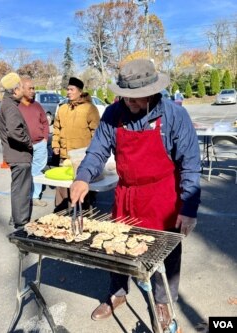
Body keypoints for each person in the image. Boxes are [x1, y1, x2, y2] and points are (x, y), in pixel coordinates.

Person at [70, 59, 201, 330]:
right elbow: (97, 151)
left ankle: (163, 301)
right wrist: (82, 178)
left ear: (152, 90)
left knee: (167, 253)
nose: (129, 102)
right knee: (117, 248)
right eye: (125, 95)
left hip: (163, 195)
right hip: (127, 193)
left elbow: (190, 162)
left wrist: (189, 208)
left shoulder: (174, 116)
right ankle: (117, 294)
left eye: (136, 97)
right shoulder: (113, 114)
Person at [52, 77, 100, 211]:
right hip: (64, 156)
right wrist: (55, 145)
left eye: (71, 89)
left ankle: (83, 215)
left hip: (81, 158)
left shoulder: (90, 108)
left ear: (80, 91)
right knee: (62, 187)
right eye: (67, 89)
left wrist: (93, 153)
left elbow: (96, 132)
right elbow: (56, 128)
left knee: (80, 188)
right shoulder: (62, 109)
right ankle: (60, 215)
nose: (68, 92)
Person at [0, 72, 33, 229]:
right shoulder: (10, 107)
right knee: (22, 191)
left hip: (16, 155)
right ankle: (21, 224)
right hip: (19, 156)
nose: (22, 91)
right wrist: (28, 144)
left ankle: (16, 217)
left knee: (18, 189)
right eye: (20, 87)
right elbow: (14, 132)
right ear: (14, 91)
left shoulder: (6, 103)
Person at [19, 77, 49, 207]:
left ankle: (35, 197)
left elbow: (45, 122)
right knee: (24, 172)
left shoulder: (37, 105)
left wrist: (45, 138)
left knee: (37, 171)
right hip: (23, 146)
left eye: (33, 88)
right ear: (22, 89)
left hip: (40, 144)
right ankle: (24, 198)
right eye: (30, 88)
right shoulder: (16, 106)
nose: (33, 91)